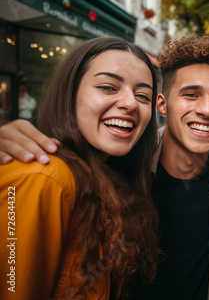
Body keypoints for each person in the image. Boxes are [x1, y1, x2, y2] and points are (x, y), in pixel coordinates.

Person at [0, 34, 209, 300]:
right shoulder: (49, 173)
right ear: (163, 105)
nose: (207, 109)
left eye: (141, 95)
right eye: (107, 87)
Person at [0, 37, 159, 299]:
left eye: (143, 96)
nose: (130, 103)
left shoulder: (112, 178)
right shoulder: (44, 175)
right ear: (70, 93)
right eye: (108, 87)